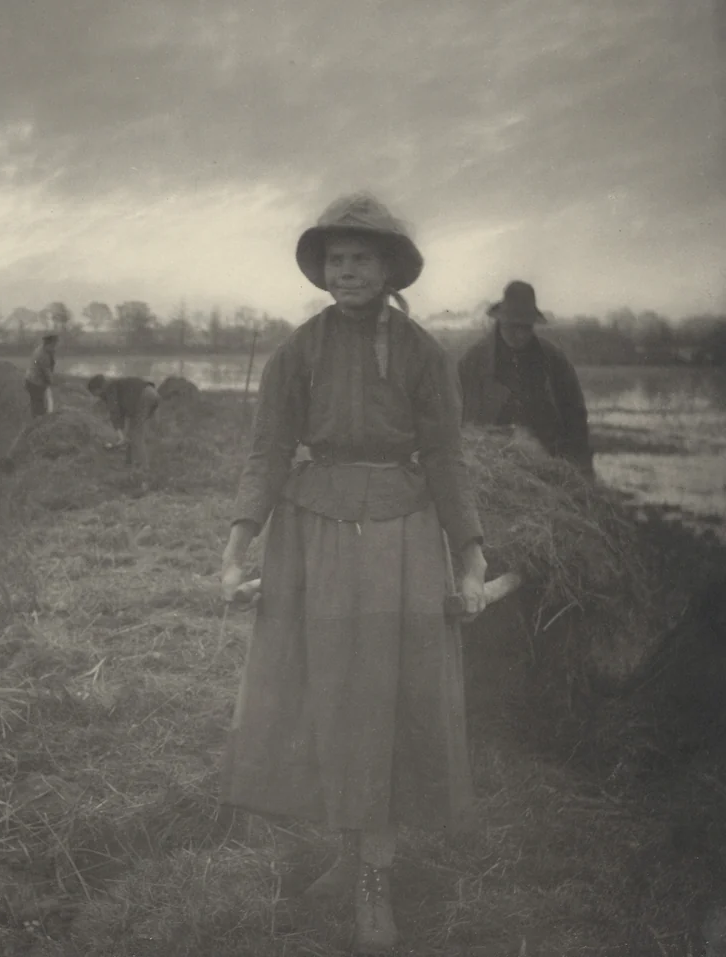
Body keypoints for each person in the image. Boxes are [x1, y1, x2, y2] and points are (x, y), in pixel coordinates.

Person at [218, 192, 488, 954]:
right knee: (329, 692)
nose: (346, 272)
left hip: (402, 539)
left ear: (389, 268)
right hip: (312, 538)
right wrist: (238, 544)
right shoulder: (295, 353)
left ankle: (377, 874)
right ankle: (349, 850)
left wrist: (471, 557)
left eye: (361, 259)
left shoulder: (425, 356)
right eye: (336, 260)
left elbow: (446, 458)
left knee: (387, 695)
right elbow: (269, 451)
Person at [458, 281, 594, 476]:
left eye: (526, 327)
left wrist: (582, 471)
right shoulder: (473, 363)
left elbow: (576, 419)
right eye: (514, 327)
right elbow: (458, 422)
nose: (521, 335)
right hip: (490, 470)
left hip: (547, 468)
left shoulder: (554, 360)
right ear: (501, 321)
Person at [87, 374, 161, 470]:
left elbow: (115, 411)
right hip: (152, 393)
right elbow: (121, 410)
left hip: (144, 397)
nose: (95, 396)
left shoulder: (109, 389)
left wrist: (120, 435)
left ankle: (144, 468)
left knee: (136, 434)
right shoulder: (117, 385)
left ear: (98, 389)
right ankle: (129, 463)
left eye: (94, 393)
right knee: (132, 433)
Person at [24, 333, 59, 418]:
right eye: (53, 345)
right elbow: (46, 371)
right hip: (34, 382)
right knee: (39, 405)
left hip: (37, 380)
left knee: (41, 403)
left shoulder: (47, 350)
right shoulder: (42, 355)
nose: (55, 347)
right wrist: (52, 382)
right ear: (48, 344)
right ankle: (38, 421)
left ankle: (40, 418)